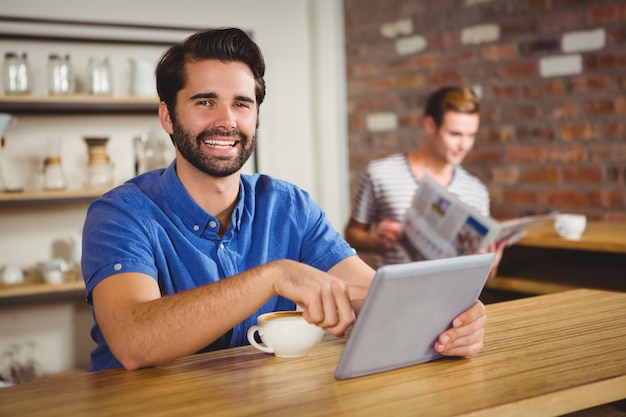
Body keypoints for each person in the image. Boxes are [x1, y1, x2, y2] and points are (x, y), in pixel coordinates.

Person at [81, 28, 486, 372]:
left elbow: (378, 299)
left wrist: (452, 320)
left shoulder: (289, 206)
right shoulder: (120, 214)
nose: (227, 120)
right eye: (205, 102)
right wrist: (272, 276)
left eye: (242, 103)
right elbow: (134, 341)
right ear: (168, 116)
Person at [344, 86, 506, 270]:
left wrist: (490, 265)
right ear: (430, 125)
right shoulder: (380, 174)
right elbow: (351, 234)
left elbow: (483, 274)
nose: (464, 145)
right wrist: (375, 241)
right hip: (397, 295)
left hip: (452, 296)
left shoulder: (476, 191)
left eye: (471, 135)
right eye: (455, 134)